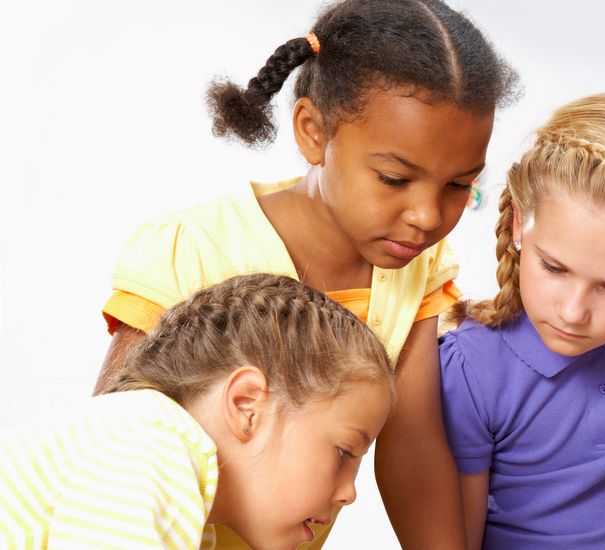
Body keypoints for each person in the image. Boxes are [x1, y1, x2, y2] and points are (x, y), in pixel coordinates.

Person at [92, 1, 518, 546]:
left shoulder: (417, 268)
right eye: (393, 178)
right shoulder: (194, 250)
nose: (428, 216)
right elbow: (110, 448)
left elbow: (413, 449)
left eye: (460, 186)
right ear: (313, 131)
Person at [438, 92, 605, 549]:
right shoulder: (469, 366)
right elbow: (456, 537)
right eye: (554, 268)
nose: (573, 312)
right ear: (519, 225)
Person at [2, 274, 392, 549]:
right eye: (344, 452)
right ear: (247, 406)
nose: (349, 494)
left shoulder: (177, 484)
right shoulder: (149, 450)